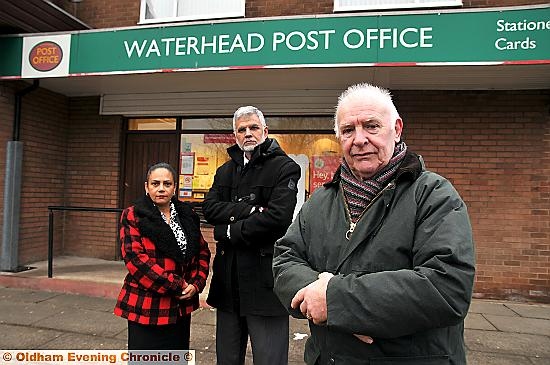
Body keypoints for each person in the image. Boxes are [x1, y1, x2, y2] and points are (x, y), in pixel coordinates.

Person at [273, 83, 475, 365]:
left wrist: (337, 301)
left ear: (397, 128)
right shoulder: (321, 200)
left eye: (371, 126)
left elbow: (447, 287)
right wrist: (315, 297)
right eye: (348, 130)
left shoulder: (433, 195)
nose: (359, 139)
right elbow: (285, 260)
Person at [203, 105, 301, 365]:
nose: (248, 133)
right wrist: (249, 210)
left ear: (265, 131)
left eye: (253, 128)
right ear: (235, 135)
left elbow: (277, 219)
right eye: (241, 129)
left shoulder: (284, 168)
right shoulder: (225, 171)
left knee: (270, 359)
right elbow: (210, 209)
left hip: (265, 285)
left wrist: (228, 230)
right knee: (227, 358)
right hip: (228, 285)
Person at [114, 162, 210, 350]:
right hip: (147, 304)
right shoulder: (133, 215)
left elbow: (202, 252)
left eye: (167, 184)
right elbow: (136, 259)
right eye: (155, 183)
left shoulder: (187, 214)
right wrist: (178, 284)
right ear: (146, 187)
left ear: (174, 187)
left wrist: (196, 284)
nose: (161, 189)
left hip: (180, 306)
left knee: (176, 357)